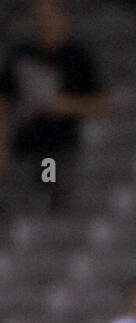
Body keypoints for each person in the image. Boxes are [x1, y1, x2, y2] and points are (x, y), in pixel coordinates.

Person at [0, 0, 107, 210]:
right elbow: (4, 101)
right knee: (22, 209)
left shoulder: (77, 56)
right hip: (25, 149)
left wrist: (63, 105)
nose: (44, 23)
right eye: (38, 17)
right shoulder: (21, 54)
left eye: (48, 16)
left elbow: (100, 102)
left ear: (62, 17)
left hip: (64, 150)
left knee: (63, 210)